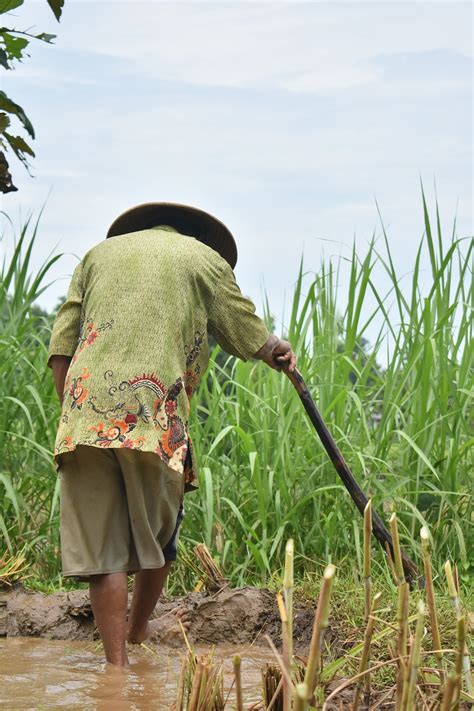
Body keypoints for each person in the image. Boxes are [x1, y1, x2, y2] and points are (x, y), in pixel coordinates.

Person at [47, 202, 297, 667]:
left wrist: (73, 417)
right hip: (153, 418)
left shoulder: (97, 255)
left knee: (104, 555)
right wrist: (275, 350)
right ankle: (139, 631)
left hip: (83, 418)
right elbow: (246, 329)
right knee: (159, 540)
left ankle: (116, 671)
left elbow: (63, 341)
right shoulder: (204, 260)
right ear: (199, 236)